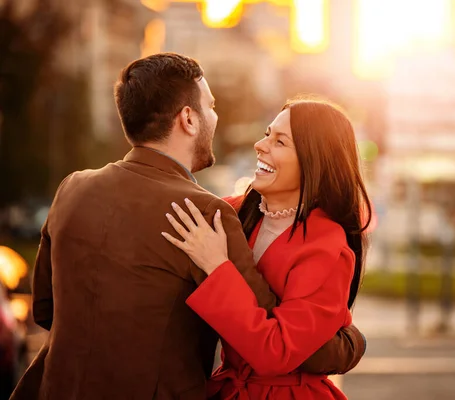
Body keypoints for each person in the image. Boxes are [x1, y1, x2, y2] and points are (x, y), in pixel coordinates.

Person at [10, 53, 365, 400]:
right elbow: (269, 330)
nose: (259, 144)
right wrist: (347, 345)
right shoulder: (208, 213)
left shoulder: (72, 187)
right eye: (211, 107)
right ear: (188, 120)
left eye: (279, 140)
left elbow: (45, 307)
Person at [162, 98, 372, 399]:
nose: (260, 146)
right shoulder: (233, 214)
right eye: (266, 134)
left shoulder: (327, 246)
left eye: (280, 141)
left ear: (313, 159)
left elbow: (277, 352)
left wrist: (217, 266)